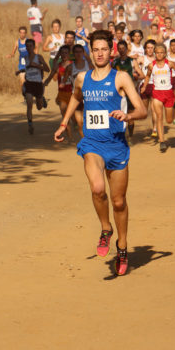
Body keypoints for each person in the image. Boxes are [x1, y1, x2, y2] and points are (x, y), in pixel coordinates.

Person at [54, 30, 147, 276]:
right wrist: (64, 124)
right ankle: (106, 230)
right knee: (97, 188)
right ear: (91, 52)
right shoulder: (83, 78)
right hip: (92, 144)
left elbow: (142, 110)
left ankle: (123, 246)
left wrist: (127, 116)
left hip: (116, 146)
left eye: (104, 49)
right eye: (95, 49)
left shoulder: (122, 78)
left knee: (118, 201)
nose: (100, 53)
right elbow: (75, 98)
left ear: (111, 51)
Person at [141, 43, 175, 151]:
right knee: (159, 117)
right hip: (157, 94)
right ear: (155, 53)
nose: (159, 55)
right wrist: (144, 86)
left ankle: (173, 107)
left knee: (169, 120)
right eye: (157, 53)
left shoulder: (169, 64)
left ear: (165, 53)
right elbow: (147, 76)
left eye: (161, 53)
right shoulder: (151, 65)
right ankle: (162, 141)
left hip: (168, 93)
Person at [111, 40, 144, 143]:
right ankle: (120, 136)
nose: (121, 51)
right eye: (119, 49)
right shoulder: (115, 62)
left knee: (129, 114)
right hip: (118, 92)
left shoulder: (132, 61)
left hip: (129, 92)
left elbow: (142, 75)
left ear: (127, 49)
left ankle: (130, 136)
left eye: (123, 49)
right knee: (117, 113)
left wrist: (136, 77)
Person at [62, 44, 93, 137]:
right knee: (81, 123)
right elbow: (64, 80)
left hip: (89, 96)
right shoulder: (70, 67)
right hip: (77, 96)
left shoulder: (89, 65)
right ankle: (86, 142)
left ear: (83, 53)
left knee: (90, 122)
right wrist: (63, 83)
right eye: (76, 52)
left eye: (80, 52)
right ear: (73, 54)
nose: (78, 54)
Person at [43, 45, 73, 138]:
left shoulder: (73, 64)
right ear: (60, 54)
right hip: (62, 93)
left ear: (69, 54)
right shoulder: (57, 66)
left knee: (75, 117)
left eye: (66, 53)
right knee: (64, 115)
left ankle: (75, 125)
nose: (64, 55)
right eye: (62, 53)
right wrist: (45, 82)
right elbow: (51, 74)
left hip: (73, 94)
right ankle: (69, 135)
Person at [23, 39, 50, 134]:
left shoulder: (39, 57)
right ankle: (30, 124)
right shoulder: (25, 58)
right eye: (27, 46)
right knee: (29, 104)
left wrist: (37, 66)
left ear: (34, 47)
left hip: (38, 83)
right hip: (29, 83)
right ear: (25, 47)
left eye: (31, 46)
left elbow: (47, 69)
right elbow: (25, 69)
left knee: (39, 107)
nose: (29, 48)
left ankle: (41, 99)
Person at [8, 26, 29, 91]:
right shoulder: (17, 42)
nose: (22, 34)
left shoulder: (28, 41)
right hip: (21, 64)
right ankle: (26, 97)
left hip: (29, 63)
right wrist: (11, 55)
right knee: (22, 82)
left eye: (23, 33)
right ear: (19, 33)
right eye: (21, 33)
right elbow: (13, 52)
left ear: (25, 33)